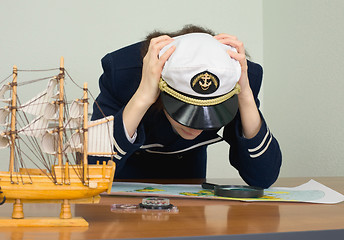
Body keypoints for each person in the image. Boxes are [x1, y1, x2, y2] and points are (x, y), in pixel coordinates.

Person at [89, 25, 282, 188]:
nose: (197, 126)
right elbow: (92, 174)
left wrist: (245, 95)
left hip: (189, 185)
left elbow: (263, 177)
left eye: (210, 111)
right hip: (122, 184)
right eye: (186, 109)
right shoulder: (122, 74)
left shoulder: (235, 78)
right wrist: (142, 97)